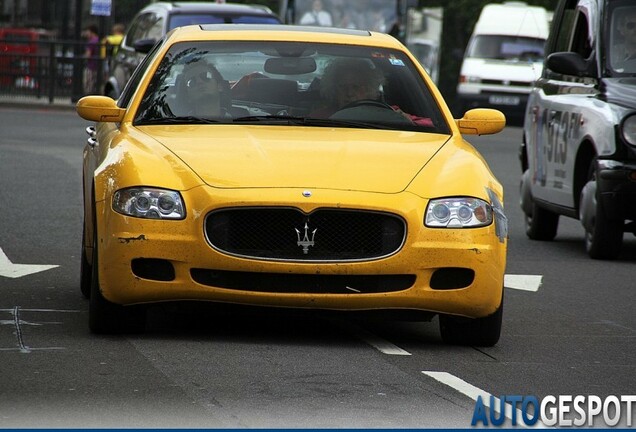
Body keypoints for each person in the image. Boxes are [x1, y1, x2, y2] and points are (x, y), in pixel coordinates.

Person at [310, 58, 385, 117]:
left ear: (369, 89)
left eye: (356, 87)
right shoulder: (319, 118)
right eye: (343, 87)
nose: (349, 93)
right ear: (334, 89)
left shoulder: (385, 117)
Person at [82, 24, 100, 94]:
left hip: (91, 66)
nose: (86, 33)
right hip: (98, 66)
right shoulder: (99, 40)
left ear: (91, 32)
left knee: (88, 84)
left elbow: (88, 55)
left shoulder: (91, 42)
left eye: (87, 31)